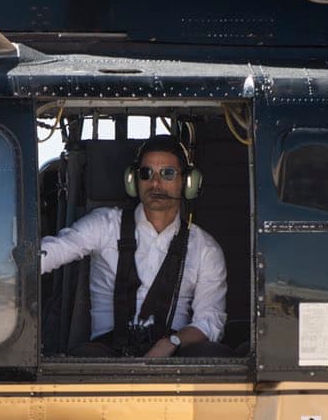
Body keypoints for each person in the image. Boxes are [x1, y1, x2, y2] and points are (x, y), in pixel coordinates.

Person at [41, 135, 229, 358]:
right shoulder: (105, 225)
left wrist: (172, 342)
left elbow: (210, 320)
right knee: (84, 359)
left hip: (174, 355)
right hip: (105, 353)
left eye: (167, 173)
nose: (156, 183)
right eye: (146, 173)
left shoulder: (205, 248)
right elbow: (54, 251)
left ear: (188, 182)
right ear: (133, 181)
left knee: (213, 354)